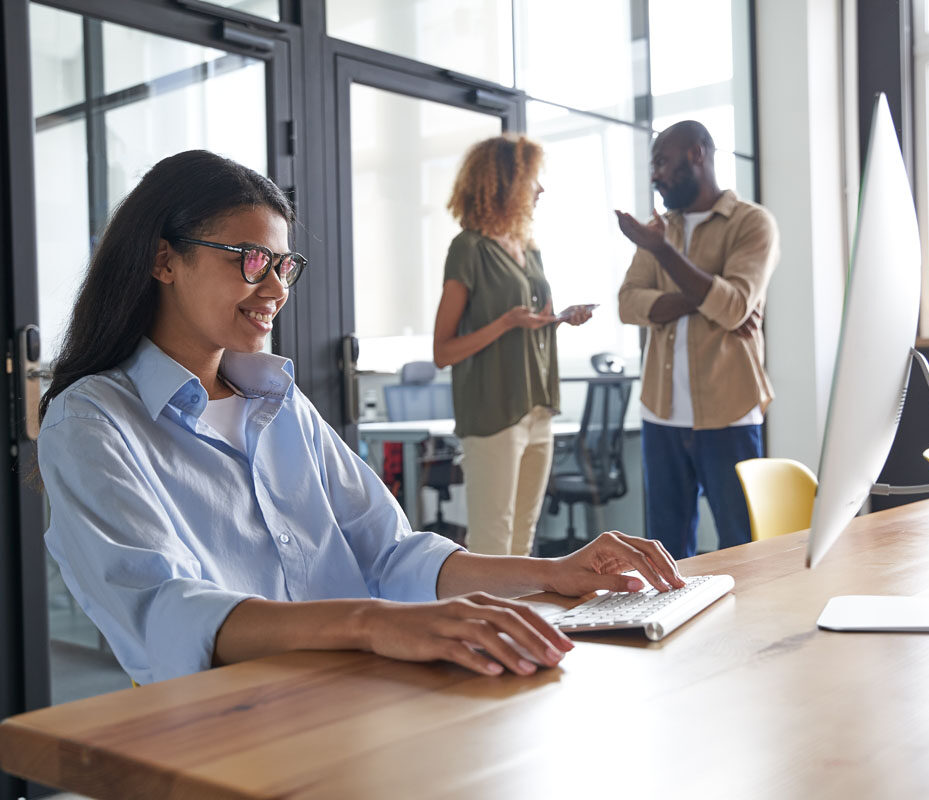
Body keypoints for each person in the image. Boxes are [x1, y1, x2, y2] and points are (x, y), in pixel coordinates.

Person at [36, 149, 682, 686]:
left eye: (284, 265)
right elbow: (163, 611)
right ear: (164, 260)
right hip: (230, 723)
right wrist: (374, 622)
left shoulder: (279, 402)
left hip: (360, 692)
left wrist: (553, 571)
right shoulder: (92, 423)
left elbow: (391, 552)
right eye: (250, 260)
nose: (277, 289)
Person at [616, 121, 780, 560]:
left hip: (730, 412)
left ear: (696, 155)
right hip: (661, 413)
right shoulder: (659, 228)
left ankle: (750, 631)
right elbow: (628, 304)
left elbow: (734, 306)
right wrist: (704, 296)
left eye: (662, 163)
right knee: (665, 553)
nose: (655, 176)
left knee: (742, 546)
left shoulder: (752, 223)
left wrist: (664, 254)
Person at [433, 134, 592, 556]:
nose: (540, 190)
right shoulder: (468, 249)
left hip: (537, 405)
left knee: (524, 536)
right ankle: (484, 623)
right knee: (492, 540)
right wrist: (505, 323)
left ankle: (519, 621)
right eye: (532, 180)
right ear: (503, 183)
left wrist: (561, 319)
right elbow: (442, 351)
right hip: (493, 410)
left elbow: (536, 322)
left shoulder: (529, 250)